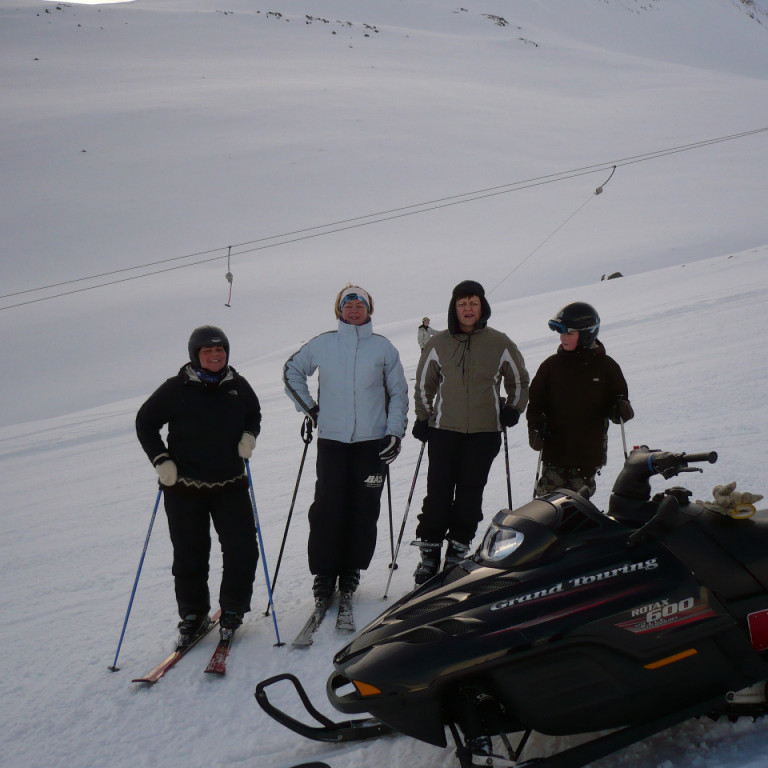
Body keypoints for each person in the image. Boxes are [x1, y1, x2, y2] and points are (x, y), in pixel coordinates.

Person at [135, 326, 261, 647]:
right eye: (207, 351)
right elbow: (145, 422)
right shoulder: (176, 388)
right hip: (183, 488)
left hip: (231, 484)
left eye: (220, 350)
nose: (215, 355)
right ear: (195, 355)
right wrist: (161, 459)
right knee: (189, 553)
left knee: (242, 548)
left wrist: (249, 436)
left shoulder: (238, 386)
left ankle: (233, 609)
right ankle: (193, 614)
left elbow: (253, 414)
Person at [283, 285, 408, 607]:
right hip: (333, 442)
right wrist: (311, 410)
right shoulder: (323, 344)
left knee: (364, 508)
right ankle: (325, 573)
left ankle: (351, 569)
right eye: (348, 305)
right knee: (328, 507)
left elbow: (398, 393)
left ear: (369, 310)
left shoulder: (383, 348)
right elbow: (292, 371)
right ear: (339, 310)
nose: (354, 310)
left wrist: (394, 432)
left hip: (372, 443)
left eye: (360, 304)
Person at [411, 280, 529, 584]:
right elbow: (424, 384)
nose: (467, 309)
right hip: (444, 431)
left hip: (484, 432)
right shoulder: (438, 343)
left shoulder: (499, 342)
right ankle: (429, 551)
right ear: (454, 308)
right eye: (462, 304)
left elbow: (519, 380)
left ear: (482, 307)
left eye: (473, 303)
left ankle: (458, 549)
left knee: (469, 493)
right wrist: (423, 417)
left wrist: (513, 408)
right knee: (438, 493)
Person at [526, 301, 634, 498]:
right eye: (561, 333)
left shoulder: (606, 367)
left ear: (586, 334)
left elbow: (616, 402)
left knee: (577, 505)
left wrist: (620, 408)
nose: (563, 338)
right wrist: (535, 428)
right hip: (554, 455)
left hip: (586, 456)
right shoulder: (551, 367)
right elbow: (535, 403)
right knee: (549, 505)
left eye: (569, 333)